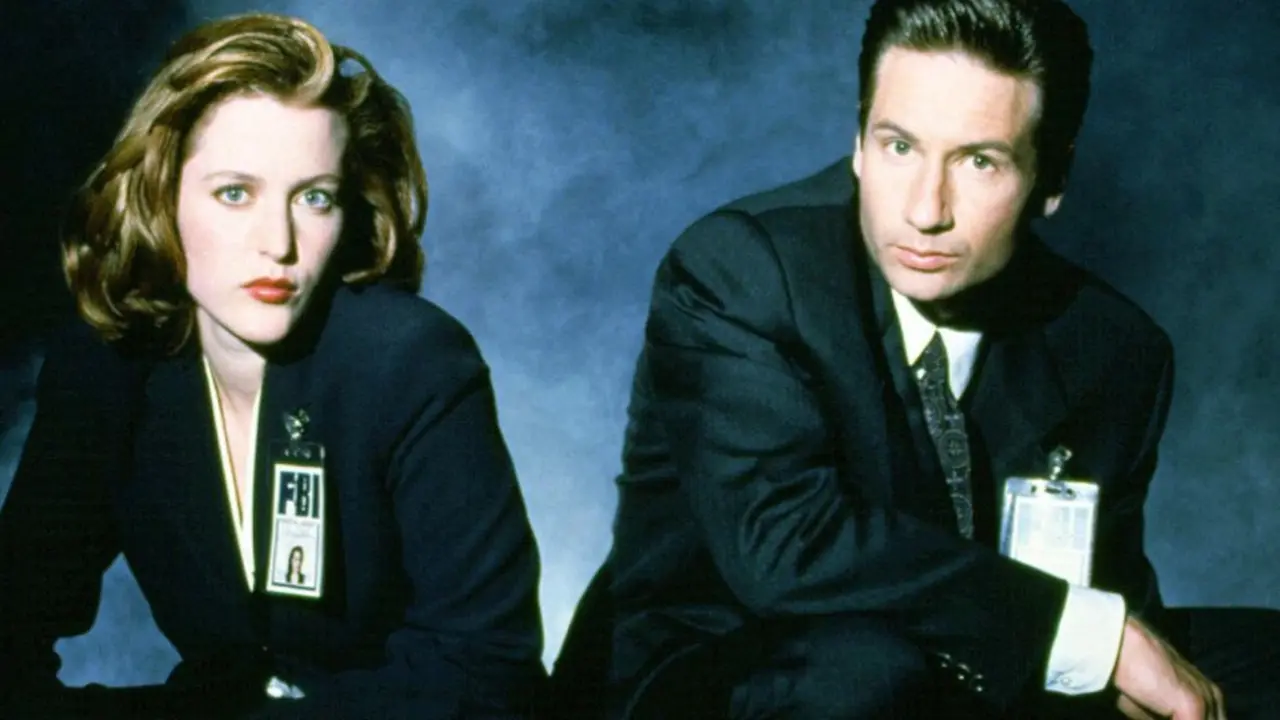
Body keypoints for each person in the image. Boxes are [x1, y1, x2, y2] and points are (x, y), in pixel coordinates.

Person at [549, 0, 1280, 718]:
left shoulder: (1114, 348)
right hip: (727, 669)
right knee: (867, 673)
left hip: (966, 670)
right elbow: (784, 545)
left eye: (980, 161)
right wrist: (1086, 636)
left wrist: (1120, 655)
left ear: (1051, 180)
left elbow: (1105, 590)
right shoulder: (741, 271)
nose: (926, 210)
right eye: (900, 147)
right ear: (859, 143)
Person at [0, 13, 545, 719]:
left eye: (314, 197)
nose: (279, 243)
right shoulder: (109, 367)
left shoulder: (411, 362)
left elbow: (488, 675)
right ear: (161, 195)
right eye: (235, 193)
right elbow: (14, 619)